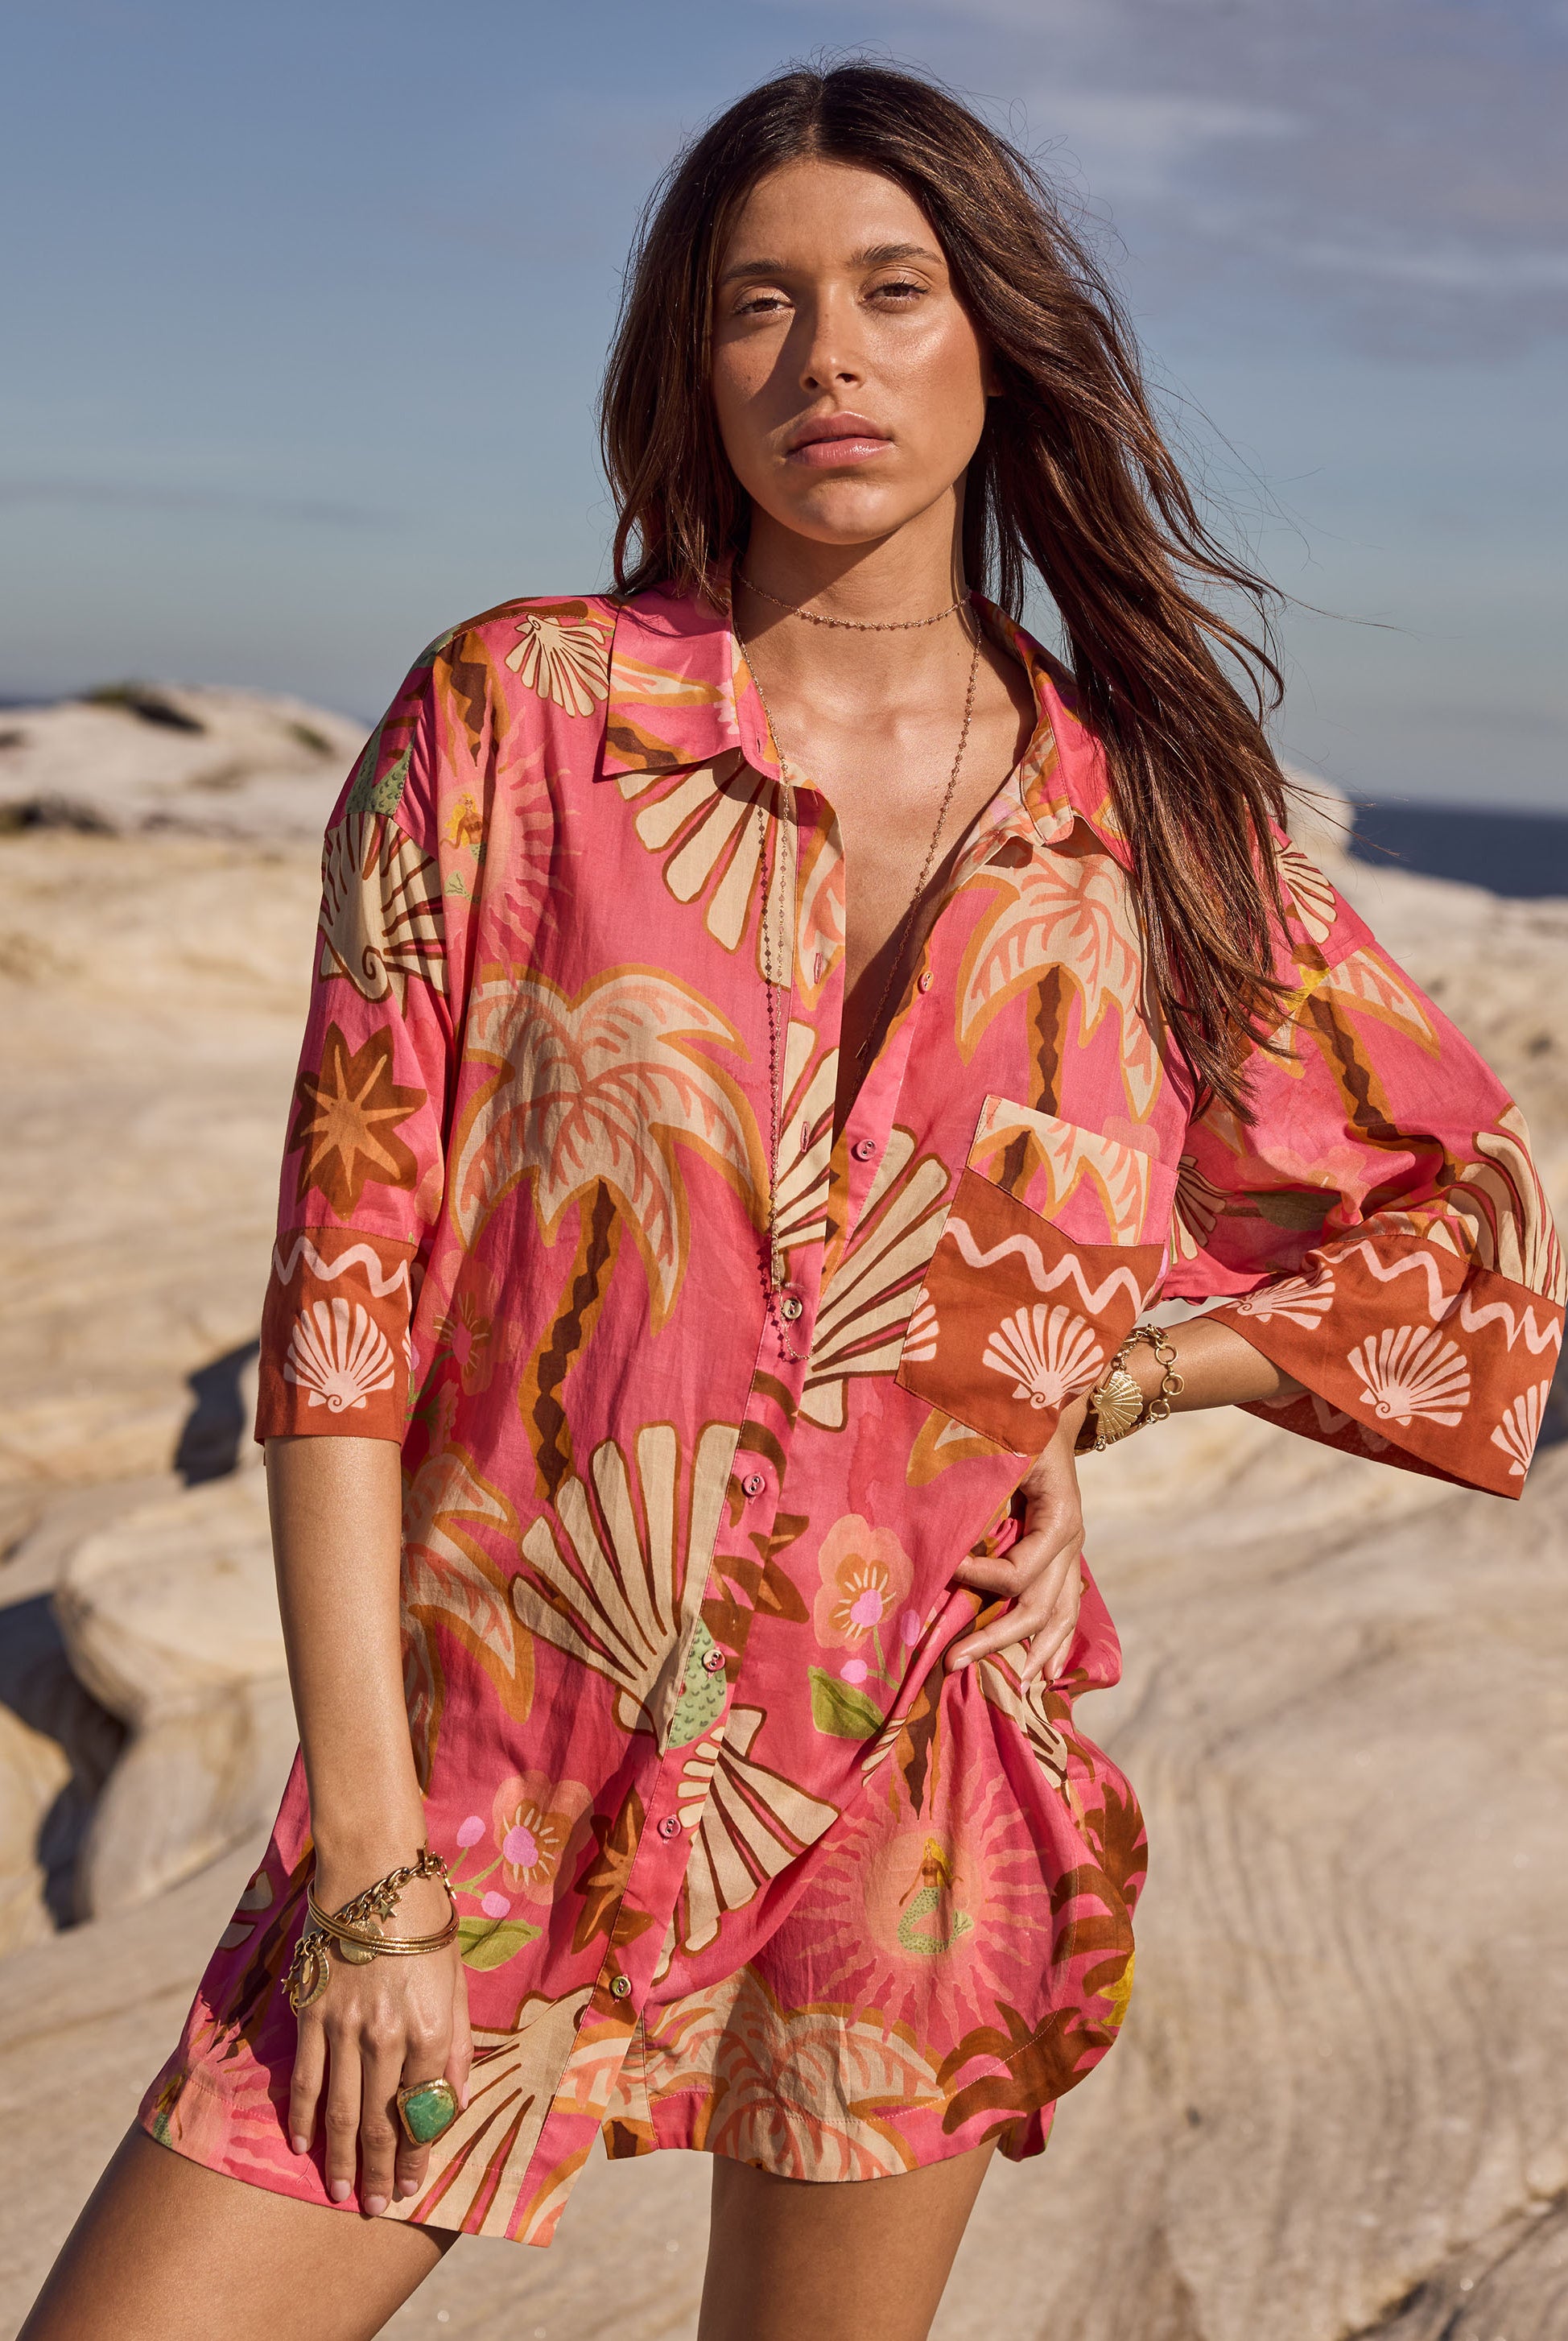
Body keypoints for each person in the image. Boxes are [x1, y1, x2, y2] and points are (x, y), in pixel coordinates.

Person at [23, 59, 1562, 2341]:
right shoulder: (515, 721)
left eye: (891, 291)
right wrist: (367, 1867)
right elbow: (342, 1321)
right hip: (486, 1775)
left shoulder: (1151, 818)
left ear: (996, 343)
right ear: (692, 361)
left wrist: (1115, 1388)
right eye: (758, 302)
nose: (825, 356)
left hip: (908, 1775)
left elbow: (1470, 1228)